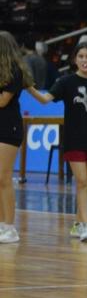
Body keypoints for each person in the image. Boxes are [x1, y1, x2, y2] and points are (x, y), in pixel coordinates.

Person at [28, 43, 87, 242]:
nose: (84, 60)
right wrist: (29, 87)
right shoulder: (65, 82)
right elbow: (45, 99)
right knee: (82, 181)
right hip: (74, 139)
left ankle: (78, 224)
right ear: (75, 59)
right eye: (81, 56)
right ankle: (86, 225)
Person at [0, 32, 34, 244]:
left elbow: (2, 101)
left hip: (8, 128)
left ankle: (10, 227)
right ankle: (1, 224)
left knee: (4, 177)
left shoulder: (14, 70)